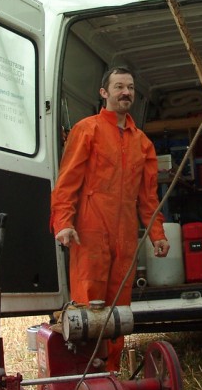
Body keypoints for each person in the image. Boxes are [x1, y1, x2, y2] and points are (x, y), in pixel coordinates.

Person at [50, 66, 170, 371]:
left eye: (130, 87)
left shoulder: (143, 143)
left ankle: (113, 375)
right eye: (118, 87)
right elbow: (67, 181)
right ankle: (85, 375)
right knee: (88, 305)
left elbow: (148, 198)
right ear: (104, 93)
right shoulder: (86, 129)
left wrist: (157, 234)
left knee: (119, 310)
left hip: (126, 233)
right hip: (91, 229)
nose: (125, 93)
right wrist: (63, 222)